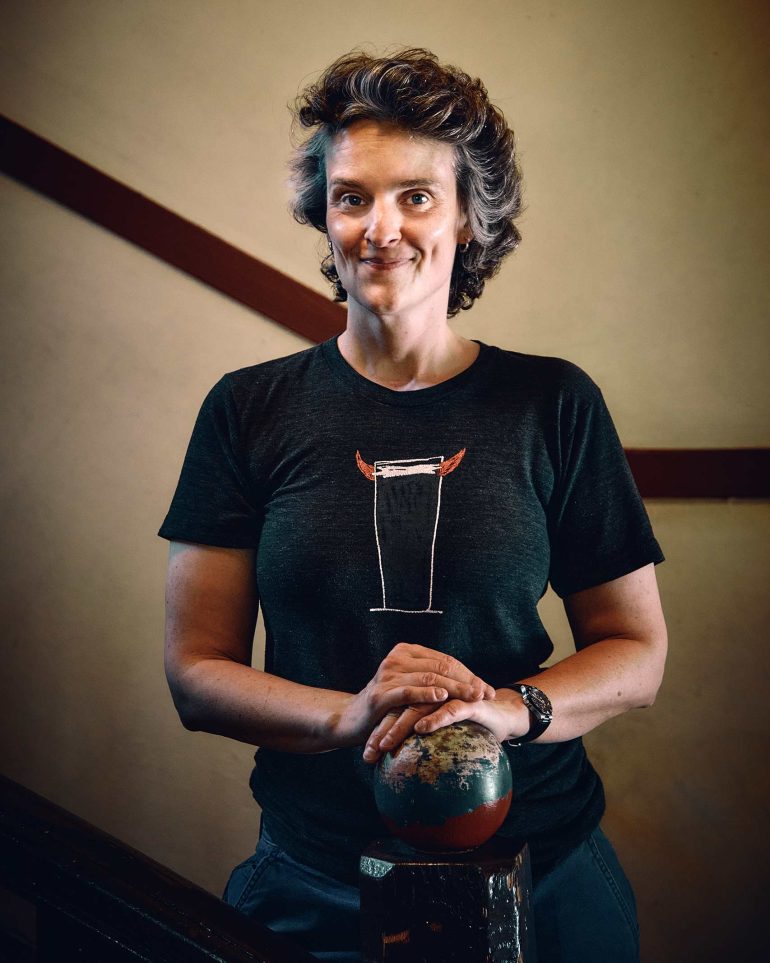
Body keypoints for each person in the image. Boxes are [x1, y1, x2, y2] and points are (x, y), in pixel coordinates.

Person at [160, 48, 667, 963]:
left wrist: (510, 710)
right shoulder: (247, 409)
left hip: (545, 873)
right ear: (323, 213)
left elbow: (638, 653)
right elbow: (195, 672)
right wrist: (347, 717)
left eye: (416, 196)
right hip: (318, 883)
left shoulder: (552, 402)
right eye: (352, 196)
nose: (379, 227)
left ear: (472, 217)